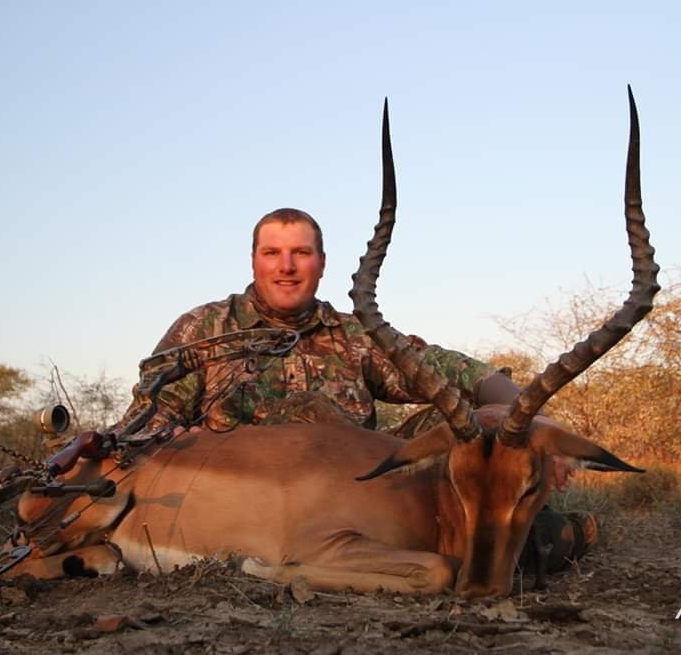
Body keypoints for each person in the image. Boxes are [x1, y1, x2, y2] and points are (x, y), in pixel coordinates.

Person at [118, 207, 594, 574]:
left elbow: (456, 372)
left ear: (321, 263)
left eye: (300, 253)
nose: (287, 267)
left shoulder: (354, 335)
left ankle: (527, 540)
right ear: (254, 261)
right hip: (253, 509)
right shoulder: (205, 329)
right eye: (272, 253)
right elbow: (148, 422)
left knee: (466, 433)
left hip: (354, 508)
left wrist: (533, 421)